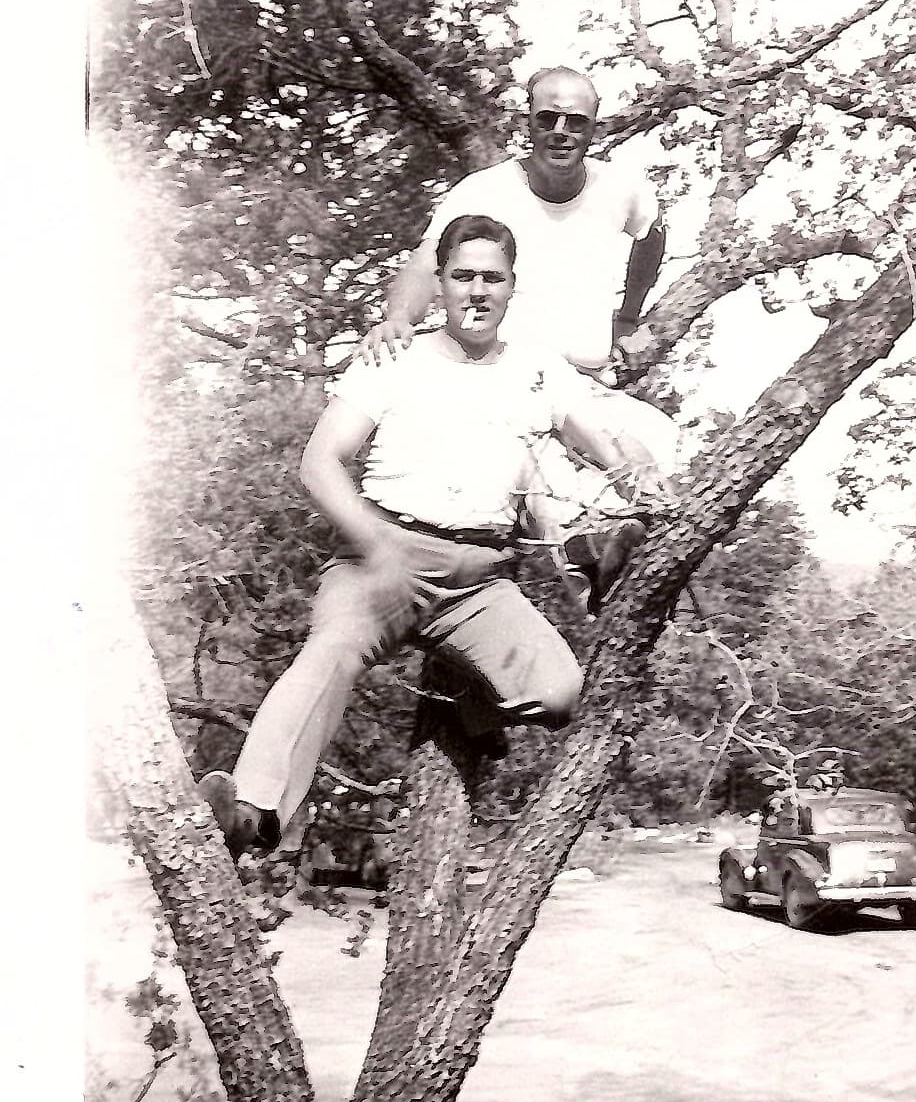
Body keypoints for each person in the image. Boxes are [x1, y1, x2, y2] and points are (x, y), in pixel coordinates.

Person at [199, 214, 645, 859]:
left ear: (513, 287)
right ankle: (253, 813)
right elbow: (319, 463)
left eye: (493, 278)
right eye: (462, 276)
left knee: (561, 695)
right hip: (378, 563)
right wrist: (376, 547)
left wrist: (638, 483)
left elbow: (595, 438)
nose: (477, 291)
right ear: (439, 284)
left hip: (477, 580)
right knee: (329, 655)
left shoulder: (537, 369)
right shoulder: (392, 357)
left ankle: (475, 702)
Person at [355, 63, 676, 600]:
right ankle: (583, 573)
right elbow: (423, 263)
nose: (560, 131)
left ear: (594, 128)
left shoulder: (623, 189)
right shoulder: (484, 192)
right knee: (542, 475)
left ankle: (617, 566)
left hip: (585, 378)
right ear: (526, 122)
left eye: (575, 121)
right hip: (506, 375)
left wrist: (629, 315)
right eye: (547, 117)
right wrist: (397, 320)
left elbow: (653, 236)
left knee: (655, 445)